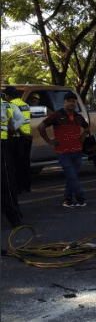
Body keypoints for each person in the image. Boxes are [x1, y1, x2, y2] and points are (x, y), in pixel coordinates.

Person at [37, 92, 90, 208]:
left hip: (77, 151)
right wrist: (49, 141)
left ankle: (68, 199)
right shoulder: (57, 115)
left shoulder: (78, 117)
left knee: (71, 176)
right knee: (72, 175)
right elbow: (41, 127)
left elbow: (87, 127)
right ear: (64, 102)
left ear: (76, 103)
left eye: (74, 101)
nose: (71, 103)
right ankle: (81, 198)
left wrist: (83, 137)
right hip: (63, 152)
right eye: (69, 101)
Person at [1, 96, 26, 227]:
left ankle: (14, 216)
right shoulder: (7, 105)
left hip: (2, 145)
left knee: (6, 181)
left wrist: (13, 126)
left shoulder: (6, 105)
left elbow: (21, 118)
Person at [5, 86, 33, 193]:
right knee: (25, 163)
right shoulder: (25, 104)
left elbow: (13, 122)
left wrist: (13, 129)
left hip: (17, 137)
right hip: (27, 137)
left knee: (15, 164)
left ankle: (18, 187)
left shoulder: (11, 105)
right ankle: (26, 186)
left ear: (8, 96)